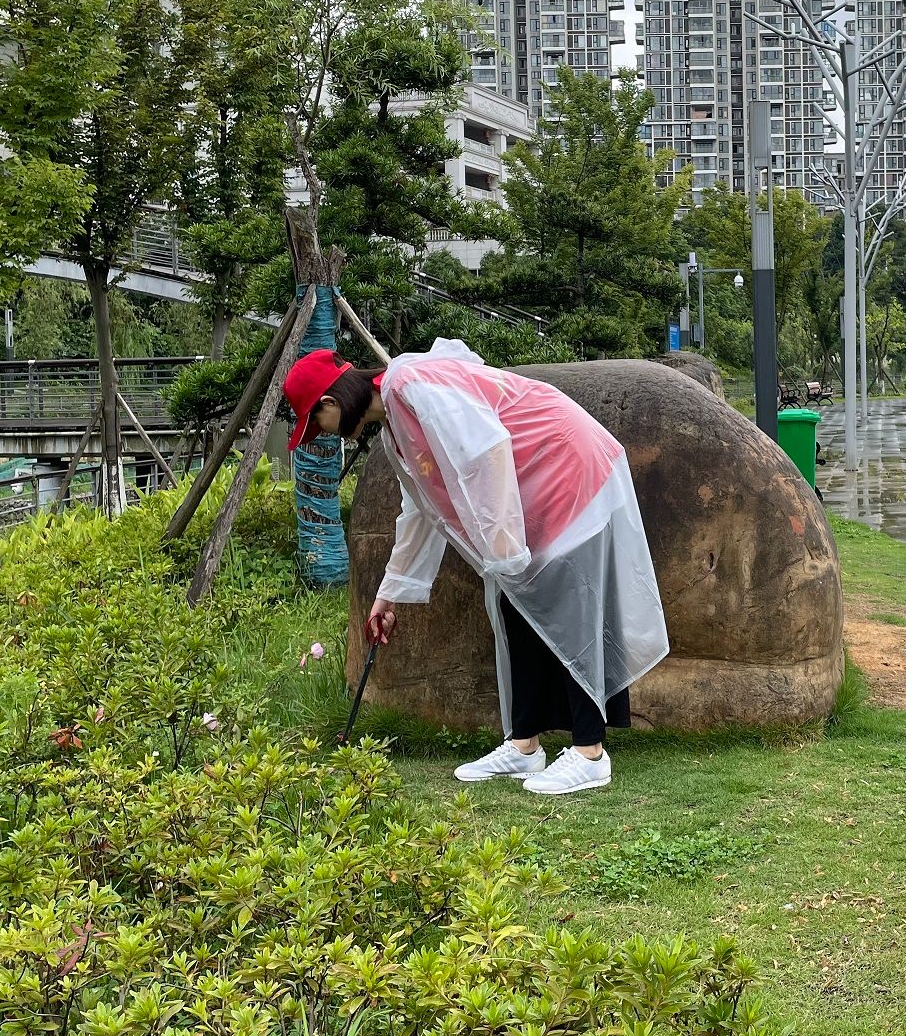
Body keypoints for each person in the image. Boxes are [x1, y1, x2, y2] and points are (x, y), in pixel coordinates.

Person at [283, 341, 669, 795]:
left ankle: (589, 754)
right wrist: (388, 596)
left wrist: (504, 551)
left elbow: (488, 449)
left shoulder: (411, 385)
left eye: (318, 424)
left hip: (566, 466)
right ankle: (524, 745)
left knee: (569, 611)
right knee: (517, 609)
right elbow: (421, 513)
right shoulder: (395, 426)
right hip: (534, 485)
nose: (323, 434)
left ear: (331, 402)